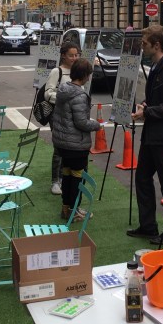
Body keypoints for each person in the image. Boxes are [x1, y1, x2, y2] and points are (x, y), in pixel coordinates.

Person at [128, 24, 163, 244]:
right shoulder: (157, 66)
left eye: (144, 44)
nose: (142, 47)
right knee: (142, 177)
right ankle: (148, 226)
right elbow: (160, 100)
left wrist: (148, 111)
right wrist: (146, 105)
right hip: (152, 134)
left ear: (156, 45)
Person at [51, 58, 102, 221]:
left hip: (62, 142)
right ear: (85, 75)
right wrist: (96, 125)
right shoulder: (79, 94)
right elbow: (81, 122)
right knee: (77, 178)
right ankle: (74, 211)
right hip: (76, 144)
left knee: (67, 175)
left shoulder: (64, 89)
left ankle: (66, 208)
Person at [45, 41, 81, 195]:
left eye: (76, 55)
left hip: (73, 116)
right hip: (58, 115)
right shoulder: (56, 71)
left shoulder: (78, 71)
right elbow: (48, 93)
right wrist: (63, 98)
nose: (74, 58)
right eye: (71, 55)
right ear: (63, 56)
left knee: (69, 147)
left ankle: (64, 176)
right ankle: (55, 181)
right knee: (59, 148)